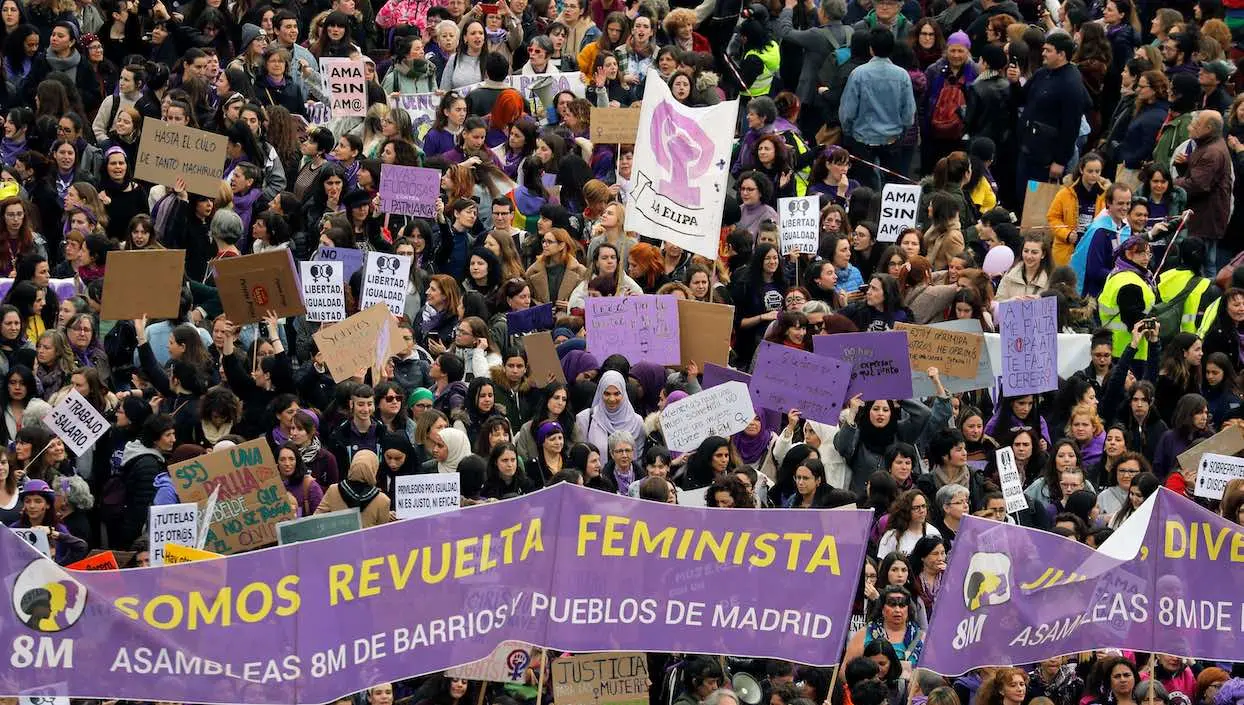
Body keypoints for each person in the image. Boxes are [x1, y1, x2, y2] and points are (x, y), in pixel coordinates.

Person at [839, 28, 916, 191]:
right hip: (892, 139)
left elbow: (847, 111)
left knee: (863, 189)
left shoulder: (858, 74)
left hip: (862, 139)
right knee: (893, 190)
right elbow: (909, 112)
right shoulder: (902, 75)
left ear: (871, 48)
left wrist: (848, 131)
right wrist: (903, 130)